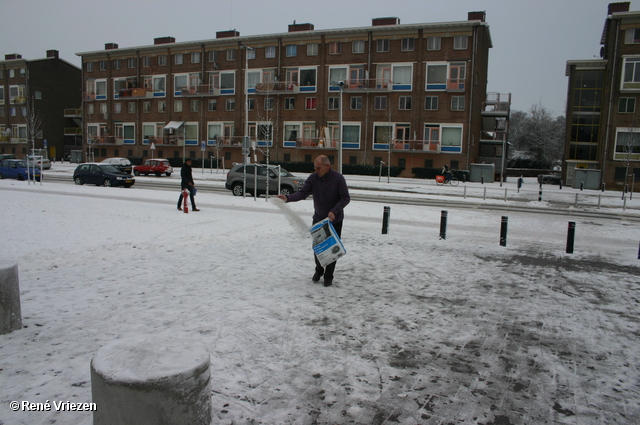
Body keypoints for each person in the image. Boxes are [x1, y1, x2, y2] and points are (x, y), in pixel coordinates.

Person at [278, 155, 350, 287]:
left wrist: (334, 211)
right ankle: (319, 270)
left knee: (332, 250)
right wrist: (287, 198)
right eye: (314, 168)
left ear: (327, 166)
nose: (316, 170)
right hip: (318, 219)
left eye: (318, 168)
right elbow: (302, 193)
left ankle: (329, 276)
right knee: (318, 248)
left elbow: (345, 198)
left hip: (334, 220)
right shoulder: (313, 178)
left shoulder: (338, 179)